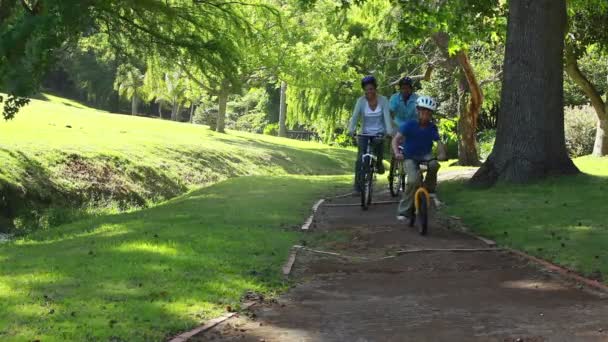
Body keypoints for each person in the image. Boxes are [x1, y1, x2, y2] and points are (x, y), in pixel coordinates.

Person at [391, 95, 442, 220]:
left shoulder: (432, 127)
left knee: (434, 164)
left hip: (426, 155)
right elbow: (395, 140)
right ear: (417, 111)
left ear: (431, 114)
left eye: (428, 112)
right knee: (413, 181)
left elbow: (439, 142)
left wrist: (442, 153)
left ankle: (430, 190)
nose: (425, 114)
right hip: (409, 157)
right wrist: (397, 152)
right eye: (422, 110)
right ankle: (404, 211)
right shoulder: (409, 125)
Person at [348, 75, 393, 192]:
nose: (369, 92)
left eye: (371, 89)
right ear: (364, 90)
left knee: (378, 145)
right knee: (359, 159)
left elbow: (387, 117)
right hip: (365, 132)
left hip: (379, 132)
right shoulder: (360, 101)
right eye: (367, 89)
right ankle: (357, 187)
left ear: (375, 89)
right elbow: (355, 117)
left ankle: (378, 163)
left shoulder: (383, 100)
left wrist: (389, 132)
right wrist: (351, 130)